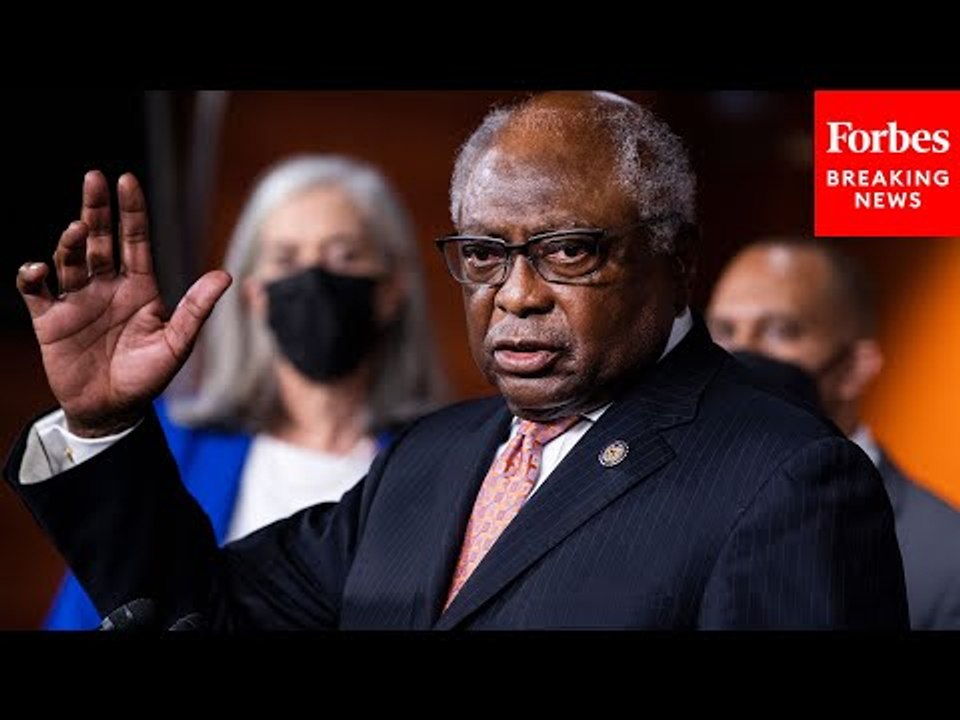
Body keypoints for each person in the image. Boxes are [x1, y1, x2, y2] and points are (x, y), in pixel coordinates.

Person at [6, 91, 908, 629]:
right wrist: (105, 424)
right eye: (484, 254)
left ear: (675, 259)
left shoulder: (789, 480)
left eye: (568, 251)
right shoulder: (432, 459)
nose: (515, 294)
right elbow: (208, 609)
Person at [42, 153, 448, 629]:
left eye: (344, 256)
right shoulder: (173, 444)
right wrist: (98, 422)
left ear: (392, 289)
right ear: (255, 292)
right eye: (286, 260)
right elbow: (96, 611)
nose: (313, 279)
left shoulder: (438, 467)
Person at [707, 237, 960, 629]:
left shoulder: (947, 559)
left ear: (854, 368)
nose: (742, 353)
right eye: (723, 330)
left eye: (779, 331)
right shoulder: (668, 505)